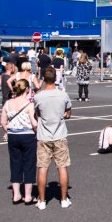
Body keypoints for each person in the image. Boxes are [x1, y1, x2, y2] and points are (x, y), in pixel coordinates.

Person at [33, 68, 73, 210]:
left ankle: (42, 200)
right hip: (59, 134)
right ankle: (63, 199)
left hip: (44, 136)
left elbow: (36, 113)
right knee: (62, 167)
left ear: (43, 78)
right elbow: (68, 113)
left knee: (42, 167)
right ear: (56, 78)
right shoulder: (63, 95)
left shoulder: (38, 96)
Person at [1, 79, 38, 205]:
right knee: (29, 164)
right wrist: (37, 130)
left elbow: (2, 121)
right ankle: (28, 195)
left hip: (13, 135)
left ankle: (16, 194)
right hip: (27, 135)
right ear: (27, 89)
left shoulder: (8, 103)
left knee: (15, 163)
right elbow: (34, 122)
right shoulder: (29, 104)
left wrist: (9, 130)